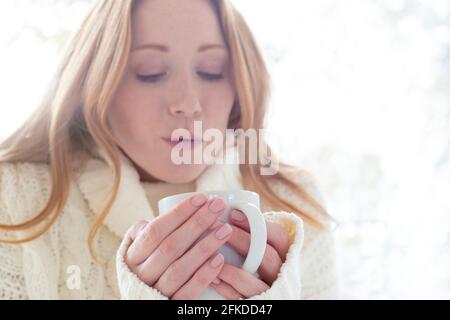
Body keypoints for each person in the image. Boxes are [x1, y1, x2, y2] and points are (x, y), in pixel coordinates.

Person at [0, 0, 339, 300]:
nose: (188, 104)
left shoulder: (293, 207)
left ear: (239, 83)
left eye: (211, 71)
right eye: (151, 73)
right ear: (96, 85)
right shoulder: (14, 202)